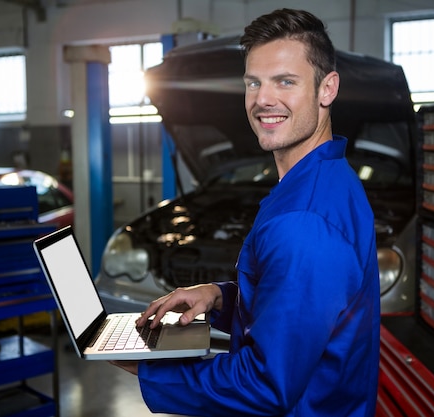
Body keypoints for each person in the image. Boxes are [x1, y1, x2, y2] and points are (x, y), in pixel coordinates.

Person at [111, 8, 381, 416]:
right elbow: (296, 306)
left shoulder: (304, 222)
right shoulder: (325, 177)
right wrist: (219, 296)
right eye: (253, 82)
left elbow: (266, 385)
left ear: (327, 89)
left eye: (285, 82)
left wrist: (146, 367)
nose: (263, 99)